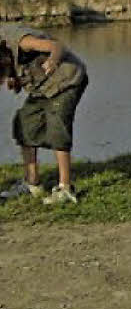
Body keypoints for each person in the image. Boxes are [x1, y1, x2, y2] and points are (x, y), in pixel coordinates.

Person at [0, 25, 88, 204]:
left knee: (57, 128)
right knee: (24, 125)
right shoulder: (5, 56)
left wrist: (53, 61)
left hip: (67, 80)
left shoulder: (23, 42)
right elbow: (19, 68)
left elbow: (57, 46)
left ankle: (65, 188)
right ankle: (32, 184)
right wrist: (16, 80)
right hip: (41, 87)